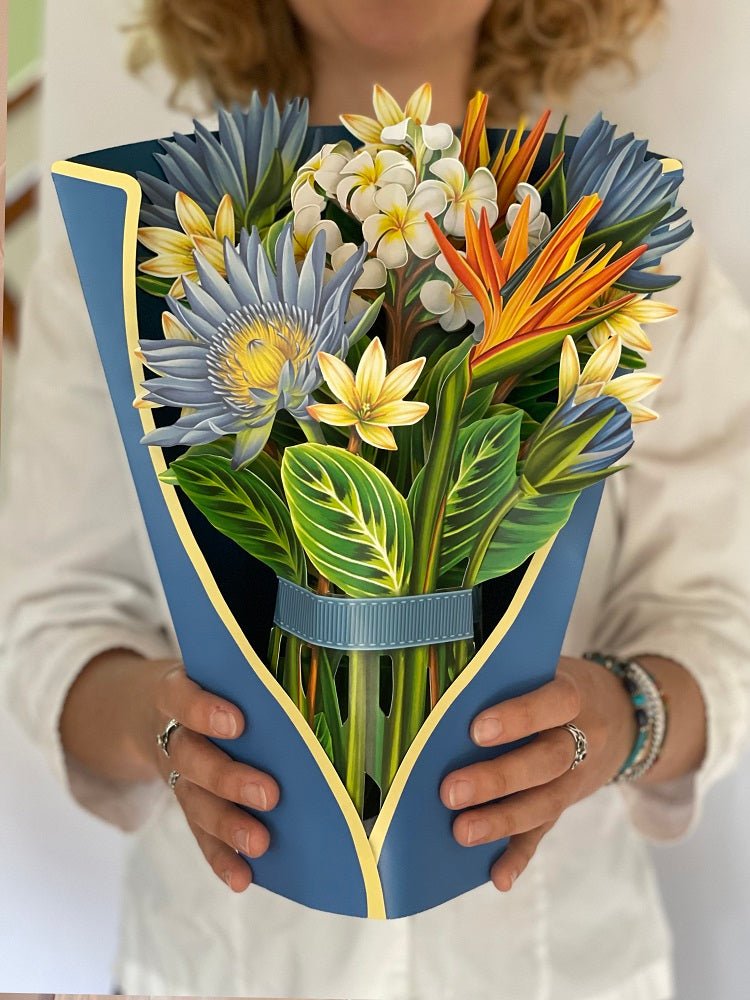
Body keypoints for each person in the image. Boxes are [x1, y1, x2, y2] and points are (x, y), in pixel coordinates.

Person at [1, 0, 749, 996]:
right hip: (222, 959)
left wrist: (623, 719)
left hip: (561, 962)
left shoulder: (630, 257)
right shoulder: (135, 248)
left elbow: (718, 620)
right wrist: (160, 726)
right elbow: (54, 622)